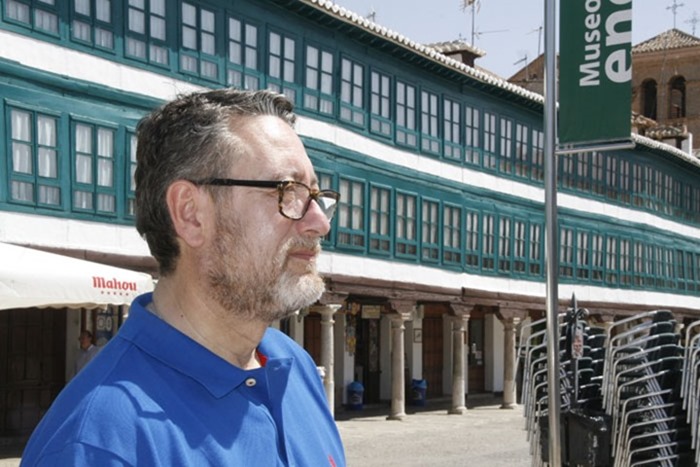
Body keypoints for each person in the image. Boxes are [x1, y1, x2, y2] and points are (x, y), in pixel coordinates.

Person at [22, 89, 346, 466]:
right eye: (287, 191)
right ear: (190, 214)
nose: (319, 222)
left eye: (316, 195)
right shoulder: (98, 443)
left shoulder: (295, 367)